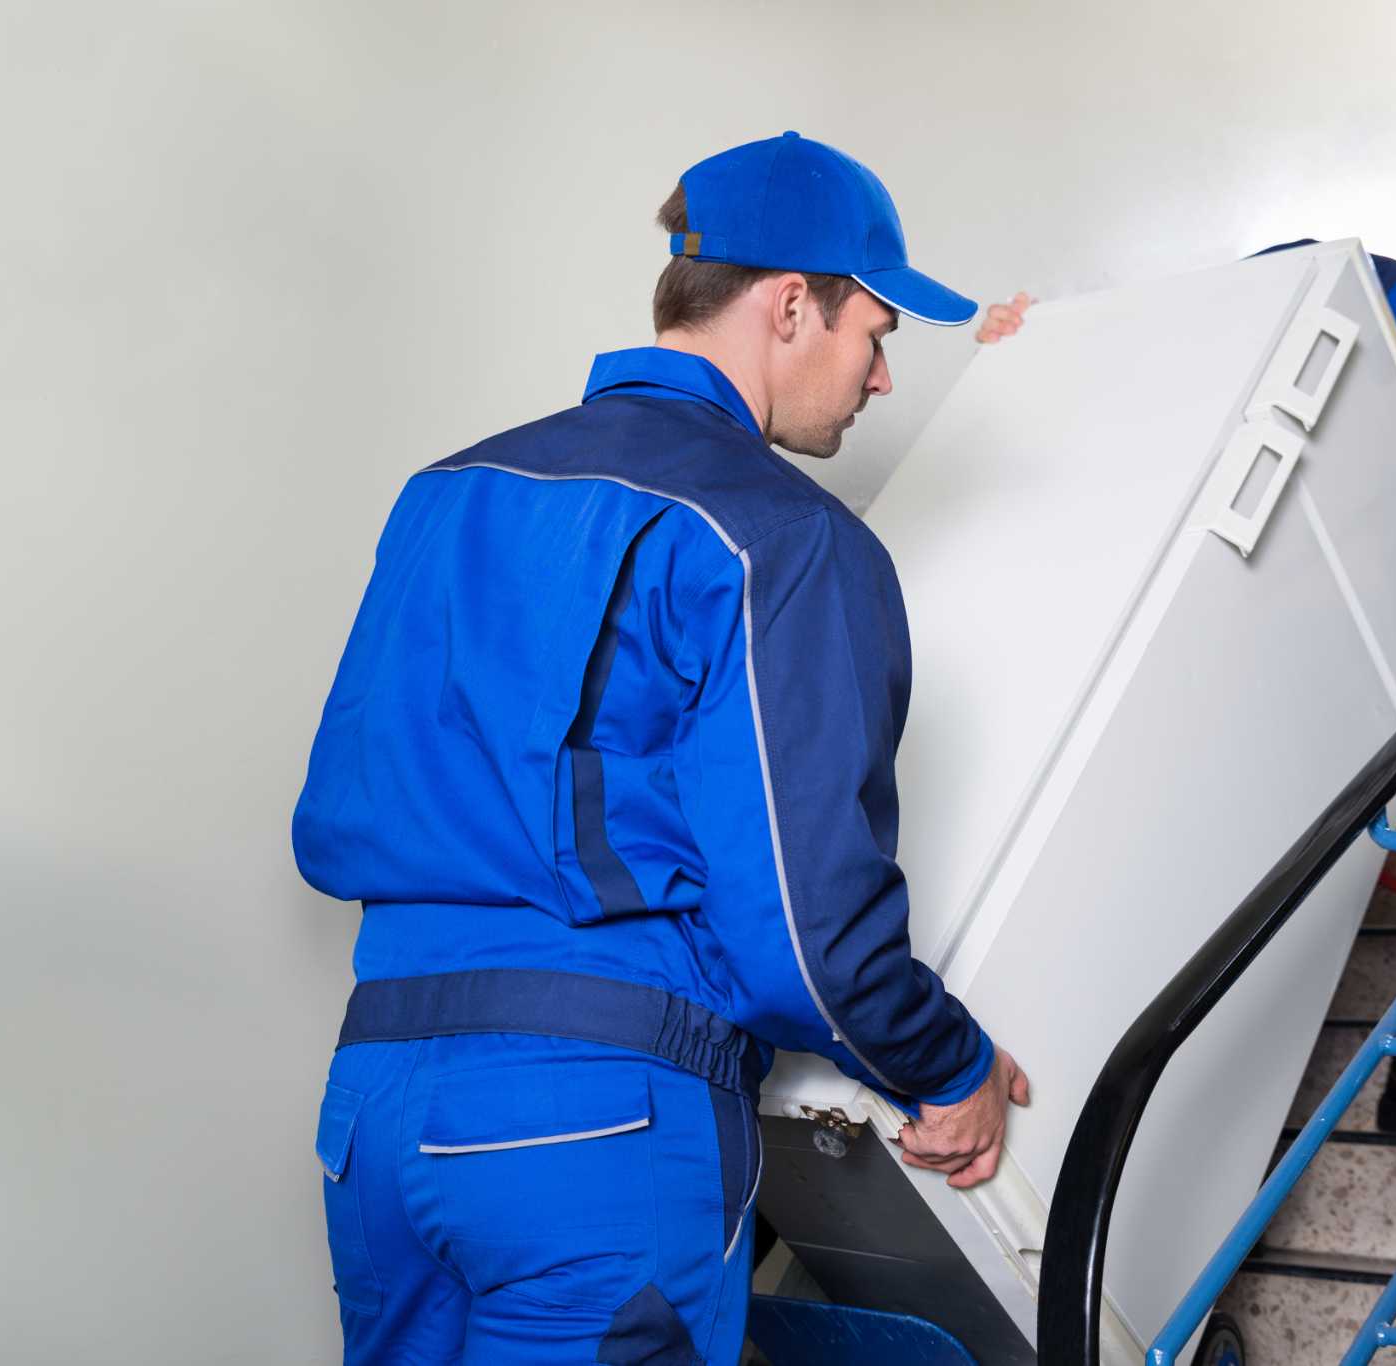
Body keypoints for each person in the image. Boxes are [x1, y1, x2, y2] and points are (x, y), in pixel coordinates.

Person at [293, 131, 1030, 1366]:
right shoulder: (779, 535)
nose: (881, 379)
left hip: (372, 1112)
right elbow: (803, 923)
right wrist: (945, 1064)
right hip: (594, 1128)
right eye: (878, 334)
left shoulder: (446, 492)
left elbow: (360, 786)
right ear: (792, 304)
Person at [978, 183, 1396, 1141]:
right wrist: (1046, 340)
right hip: (1231, 597)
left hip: (1391, 658)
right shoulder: (1329, 278)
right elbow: (1171, 344)